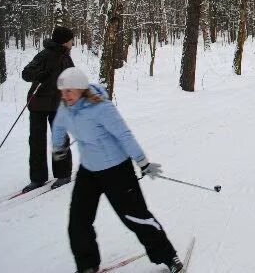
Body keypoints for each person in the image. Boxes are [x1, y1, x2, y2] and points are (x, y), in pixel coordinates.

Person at [51, 68, 184, 273]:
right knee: (78, 220)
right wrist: (58, 146)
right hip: (88, 170)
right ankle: (87, 266)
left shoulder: (101, 108)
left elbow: (124, 135)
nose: (65, 95)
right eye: (62, 91)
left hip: (117, 170)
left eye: (69, 90)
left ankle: (169, 256)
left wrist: (142, 162)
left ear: (81, 89)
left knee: (135, 217)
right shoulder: (65, 107)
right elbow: (58, 126)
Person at [20, 25, 75, 193]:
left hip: (58, 105)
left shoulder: (66, 58)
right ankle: (37, 178)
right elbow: (26, 73)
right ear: (65, 42)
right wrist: (39, 74)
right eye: (71, 41)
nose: (73, 44)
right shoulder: (44, 55)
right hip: (38, 104)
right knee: (36, 141)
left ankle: (63, 173)